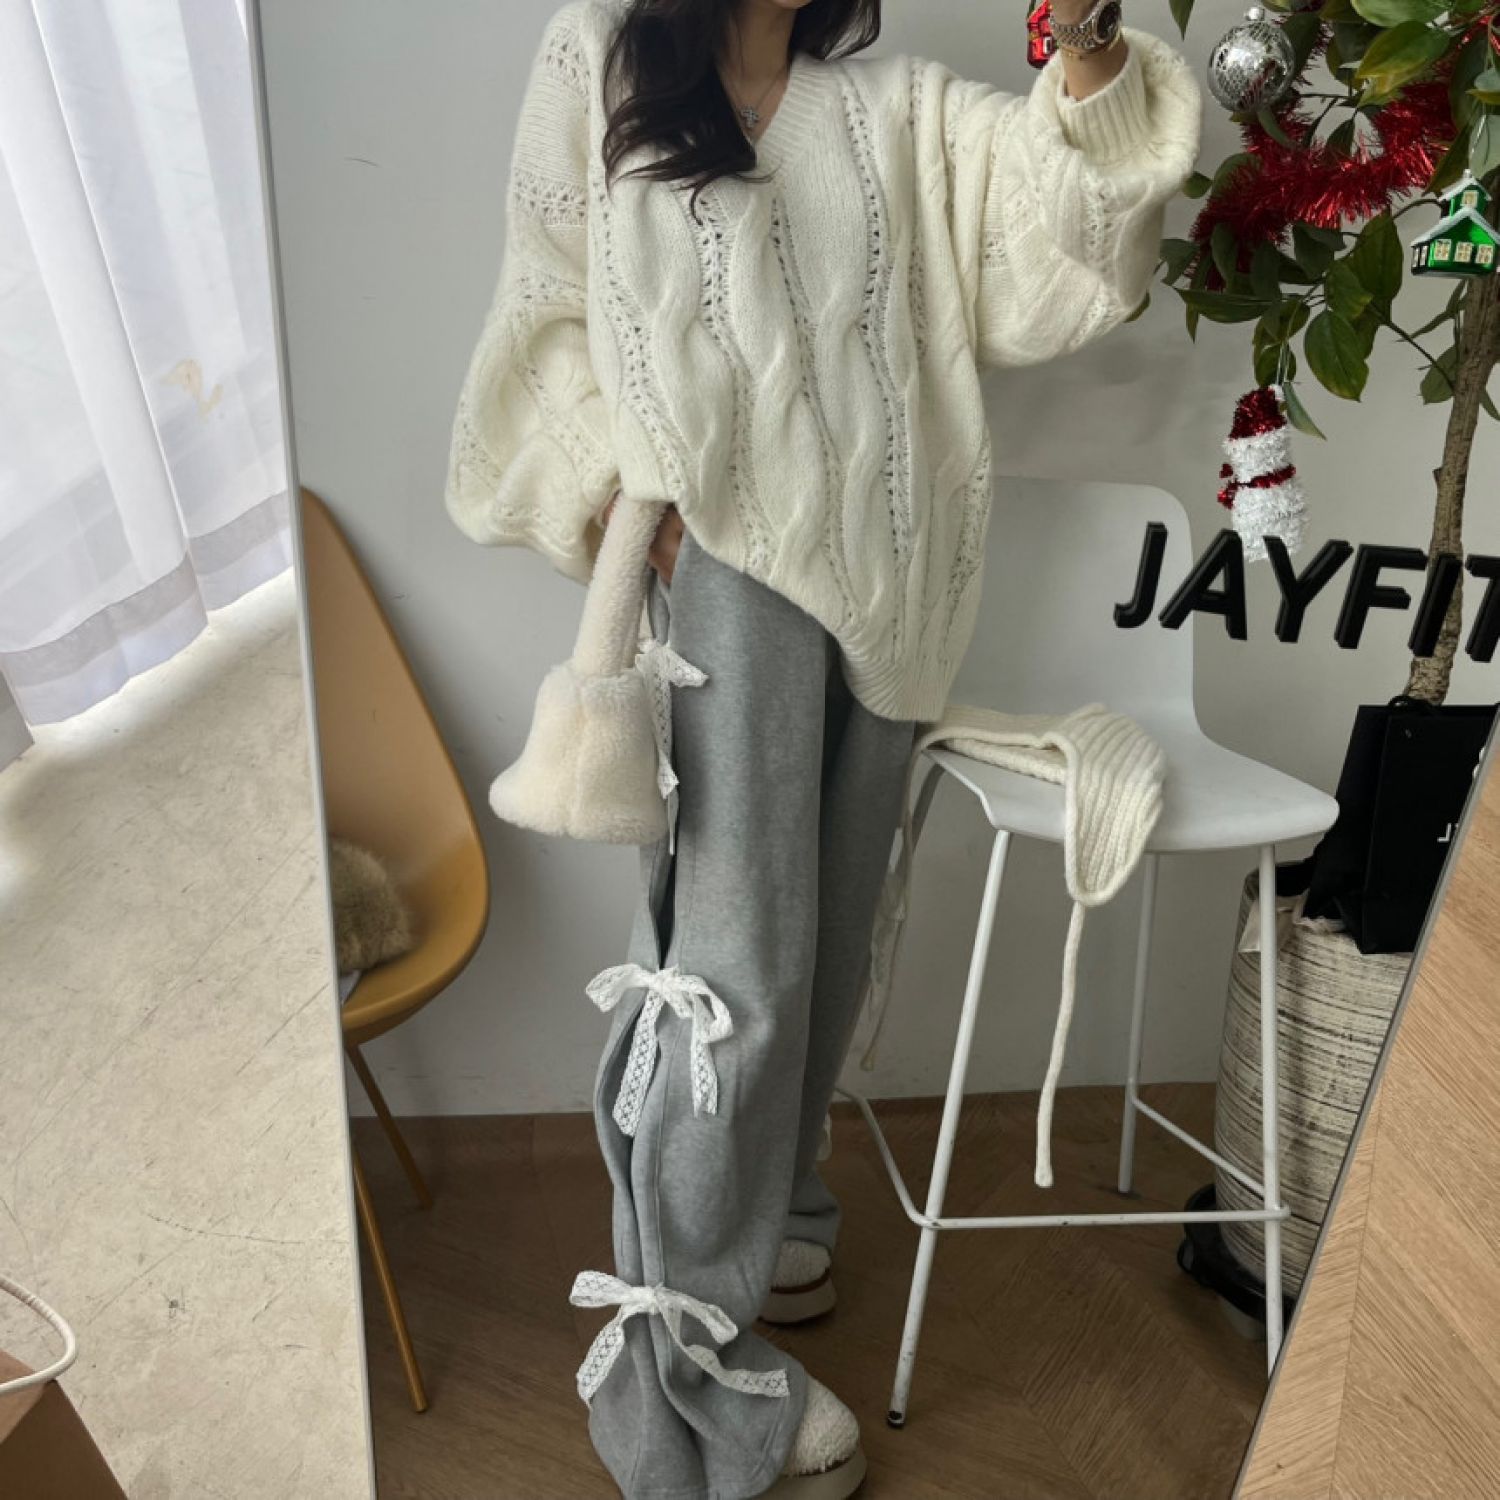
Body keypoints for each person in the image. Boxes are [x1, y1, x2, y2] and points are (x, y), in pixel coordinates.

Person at [444, 0, 1201, 1494]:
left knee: (831, 949)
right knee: (732, 976)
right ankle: (681, 1363)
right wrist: (622, 507)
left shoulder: (894, 108)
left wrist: (1094, 46)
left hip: (894, 591)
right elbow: (544, 309)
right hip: (722, 579)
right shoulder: (603, 50)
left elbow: (1069, 261)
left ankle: (769, 1224)